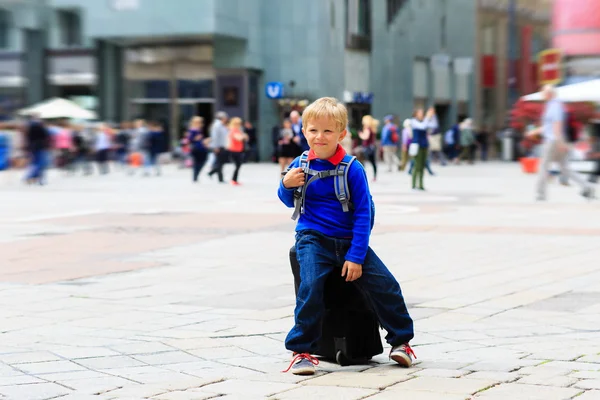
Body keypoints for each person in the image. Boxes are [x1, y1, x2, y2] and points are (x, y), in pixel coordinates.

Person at [278, 97, 415, 376]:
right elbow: (287, 199)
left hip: (350, 241)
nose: (319, 137)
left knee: (386, 285)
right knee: (310, 287)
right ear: (304, 131)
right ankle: (301, 351)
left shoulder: (353, 168)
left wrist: (355, 255)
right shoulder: (300, 164)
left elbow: (364, 214)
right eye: (313, 130)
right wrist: (284, 184)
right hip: (312, 238)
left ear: (341, 134)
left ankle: (401, 342)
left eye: (328, 131)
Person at [527, 85, 594, 200]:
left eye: (543, 92)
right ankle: (587, 187)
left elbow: (557, 125)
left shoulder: (555, 106)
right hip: (556, 140)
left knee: (543, 166)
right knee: (565, 169)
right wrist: (535, 131)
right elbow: (549, 126)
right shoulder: (553, 105)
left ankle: (540, 193)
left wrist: (560, 142)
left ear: (549, 94)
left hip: (553, 142)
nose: (542, 94)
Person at [410, 107, 438, 190]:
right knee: (417, 165)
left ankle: (421, 185)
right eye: (420, 112)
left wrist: (433, 116)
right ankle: (414, 184)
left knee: (422, 166)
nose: (422, 114)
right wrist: (428, 117)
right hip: (417, 146)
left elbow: (434, 125)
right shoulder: (413, 121)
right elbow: (422, 127)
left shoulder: (425, 121)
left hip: (424, 145)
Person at [227, 117, 249, 185]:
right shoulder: (233, 130)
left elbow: (246, 138)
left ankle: (234, 179)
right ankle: (233, 180)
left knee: (238, 165)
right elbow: (239, 138)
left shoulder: (238, 130)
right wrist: (243, 136)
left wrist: (243, 136)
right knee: (237, 165)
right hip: (234, 150)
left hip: (239, 150)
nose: (239, 125)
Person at [208, 111, 229, 183]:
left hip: (222, 147)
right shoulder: (217, 125)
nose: (227, 118)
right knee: (220, 163)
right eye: (225, 117)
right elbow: (215, 137)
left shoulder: (222, 125)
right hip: (219, 147)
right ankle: (219, 178)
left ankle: (213, 173)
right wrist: (215, 147)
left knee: (220, 163)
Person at [186, 116, 209, 182]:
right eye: (197, 122)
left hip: (202, 147)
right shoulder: (192, 130)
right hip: (196, 148)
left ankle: (196, 175)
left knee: (202, 161)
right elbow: (189, 139)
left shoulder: (199, 130)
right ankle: (195, 176)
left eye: (200, 122)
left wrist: (205, 141)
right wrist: (196, 138)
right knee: (197, 162)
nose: (199, 123)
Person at [358, 115, 378, 181]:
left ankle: (362, 175)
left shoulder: (367, 128)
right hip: (372, 147)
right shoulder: (373, 128)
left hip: (367, 147)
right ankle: (375, 176)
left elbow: (366, 137)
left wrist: (360, 134)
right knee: (373, 162)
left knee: (362, 161)